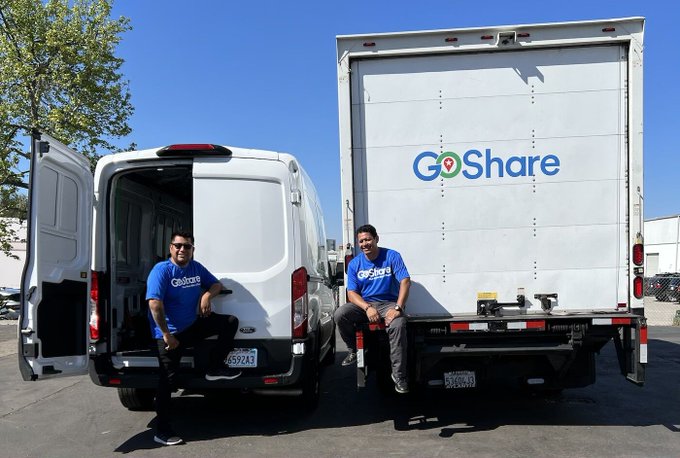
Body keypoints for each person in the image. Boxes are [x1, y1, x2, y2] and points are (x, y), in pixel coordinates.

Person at [146, 231, 240, 446]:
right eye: (178, 245)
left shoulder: (195, 268)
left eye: (187, 246)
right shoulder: (161, 270)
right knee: (168, 381)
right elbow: (154, 304)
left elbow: (216, 284)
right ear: (170, 248)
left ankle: (214, 367)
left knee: (229, 322)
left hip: (191, 326)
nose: (182, 250)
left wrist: (207, 295)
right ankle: (162, 431)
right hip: (169, 335)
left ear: (192, 249)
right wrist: (167, 335)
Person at [334, 224, 411, 394]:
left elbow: (405, 281)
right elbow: (351, 293)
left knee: (398, 326)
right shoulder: (355, 264)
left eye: (368, 239)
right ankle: (353, 350)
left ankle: (399, 376)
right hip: (365, 305)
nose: (365, 244)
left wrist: (397, 308)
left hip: (389, 304)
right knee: (340, 314)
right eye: (361, 241)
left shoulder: (392, 256)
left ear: (376, 239)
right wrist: (367, 307)